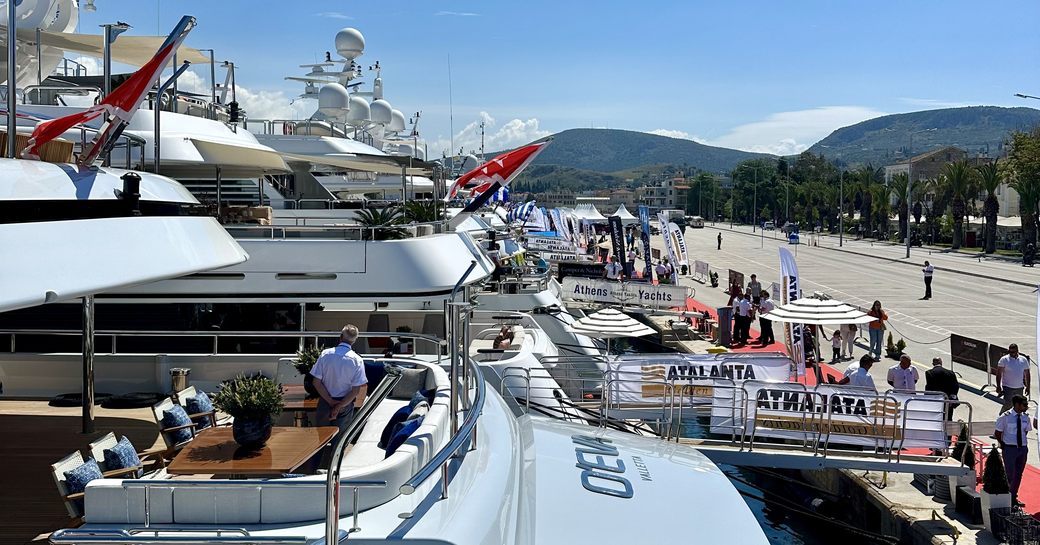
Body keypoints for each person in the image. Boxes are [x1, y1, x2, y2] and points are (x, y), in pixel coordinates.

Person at [311, 325, 368, 437]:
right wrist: (339, 406)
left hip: (325, 402)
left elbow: (316, 382)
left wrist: (331, 402)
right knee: (339, 443)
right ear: (355, 340)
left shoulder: (325, 354)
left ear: (340, 337)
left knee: (320, 441)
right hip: (345, 404)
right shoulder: (357, 360)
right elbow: (355, 391)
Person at [994, 395, 1034, 507]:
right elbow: (998, 433)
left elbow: (1025, 431)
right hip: (1010, 449)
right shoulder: (1005, 417)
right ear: (1017, 404)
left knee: (1018, 474)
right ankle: (1006, 497)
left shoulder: (1025, 417)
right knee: (1009, 474)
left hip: (1022, 449)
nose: (1026, 407)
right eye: (1024, 405)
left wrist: (1021, 444)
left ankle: (1013, 497)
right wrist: (1003, 444)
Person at [997, 343, 1031, 413]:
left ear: (1017, 351)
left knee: (1019, 406)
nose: (1011, 353)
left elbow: (1027, 374)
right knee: (1008, 405)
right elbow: (999, 373)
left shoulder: (1023, 360)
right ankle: (1001, 418)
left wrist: (1028, 387)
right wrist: (998, 386)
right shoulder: (1004, 359)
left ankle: (1016, 421)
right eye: (1010, 352)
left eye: (1013, 352)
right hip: (1007, 387)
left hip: (1019, 387)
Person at [925, 357, 959, 421]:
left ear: (933, 364)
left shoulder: (929, 373)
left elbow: (929, 388)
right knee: (948, 419)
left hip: (935, 401)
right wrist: (952, 398)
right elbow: (956, 386)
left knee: (935, 419)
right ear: (941, 362)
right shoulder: (950, 373)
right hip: (948, 401)